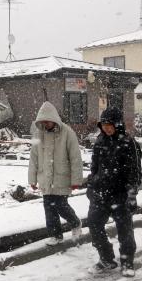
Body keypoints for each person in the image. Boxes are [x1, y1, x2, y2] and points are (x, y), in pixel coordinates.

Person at [87, 106, 141, 277]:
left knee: (124, 231)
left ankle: (127, 262)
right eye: (104, 124)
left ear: (117, 125)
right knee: (94, 225)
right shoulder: (99, 142)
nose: (107, 127)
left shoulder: (128, 143)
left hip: (120, 195)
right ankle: (107, 259)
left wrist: (131, 195)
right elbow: (94, 168)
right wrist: (91, 186)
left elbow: (135, 172)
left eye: (110, 124)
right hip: (100, 194)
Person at [28, 101, 83, 246]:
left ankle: (76, 223)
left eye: (48, 121)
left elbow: (75, 157)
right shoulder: (38, 134)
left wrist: (76, 179)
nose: (45, 124)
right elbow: (33, 158)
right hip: (45, 178)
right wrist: (32, 179)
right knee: (49, 208)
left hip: (61, 177)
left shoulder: (67, 132)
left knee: (60, 205)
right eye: (43, 121)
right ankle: (56, 235)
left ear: (53, 119)